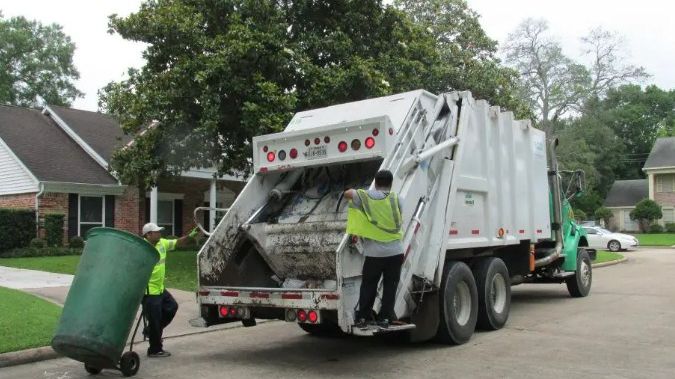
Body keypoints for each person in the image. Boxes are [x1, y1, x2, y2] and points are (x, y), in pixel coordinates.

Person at [344, 170, 404, 328]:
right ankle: (385, 319)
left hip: (374, 254)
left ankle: (363, 318)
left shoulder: (366, 196)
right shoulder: (397, 199)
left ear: (375, 183)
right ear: (391, 184)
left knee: (369, 285)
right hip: (396, 252)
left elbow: (348, 193)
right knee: (390, 286)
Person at [141, 222, 199, 357]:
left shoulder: (162, 243)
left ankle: (150, 331)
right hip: (149, 292)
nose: (159, 233)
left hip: (160, 289)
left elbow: (178, 243)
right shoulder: (141, 248)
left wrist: (190, 236)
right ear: (148, 235)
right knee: (155, 320)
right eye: (156, 232)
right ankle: (155, 350)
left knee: (172, 307)